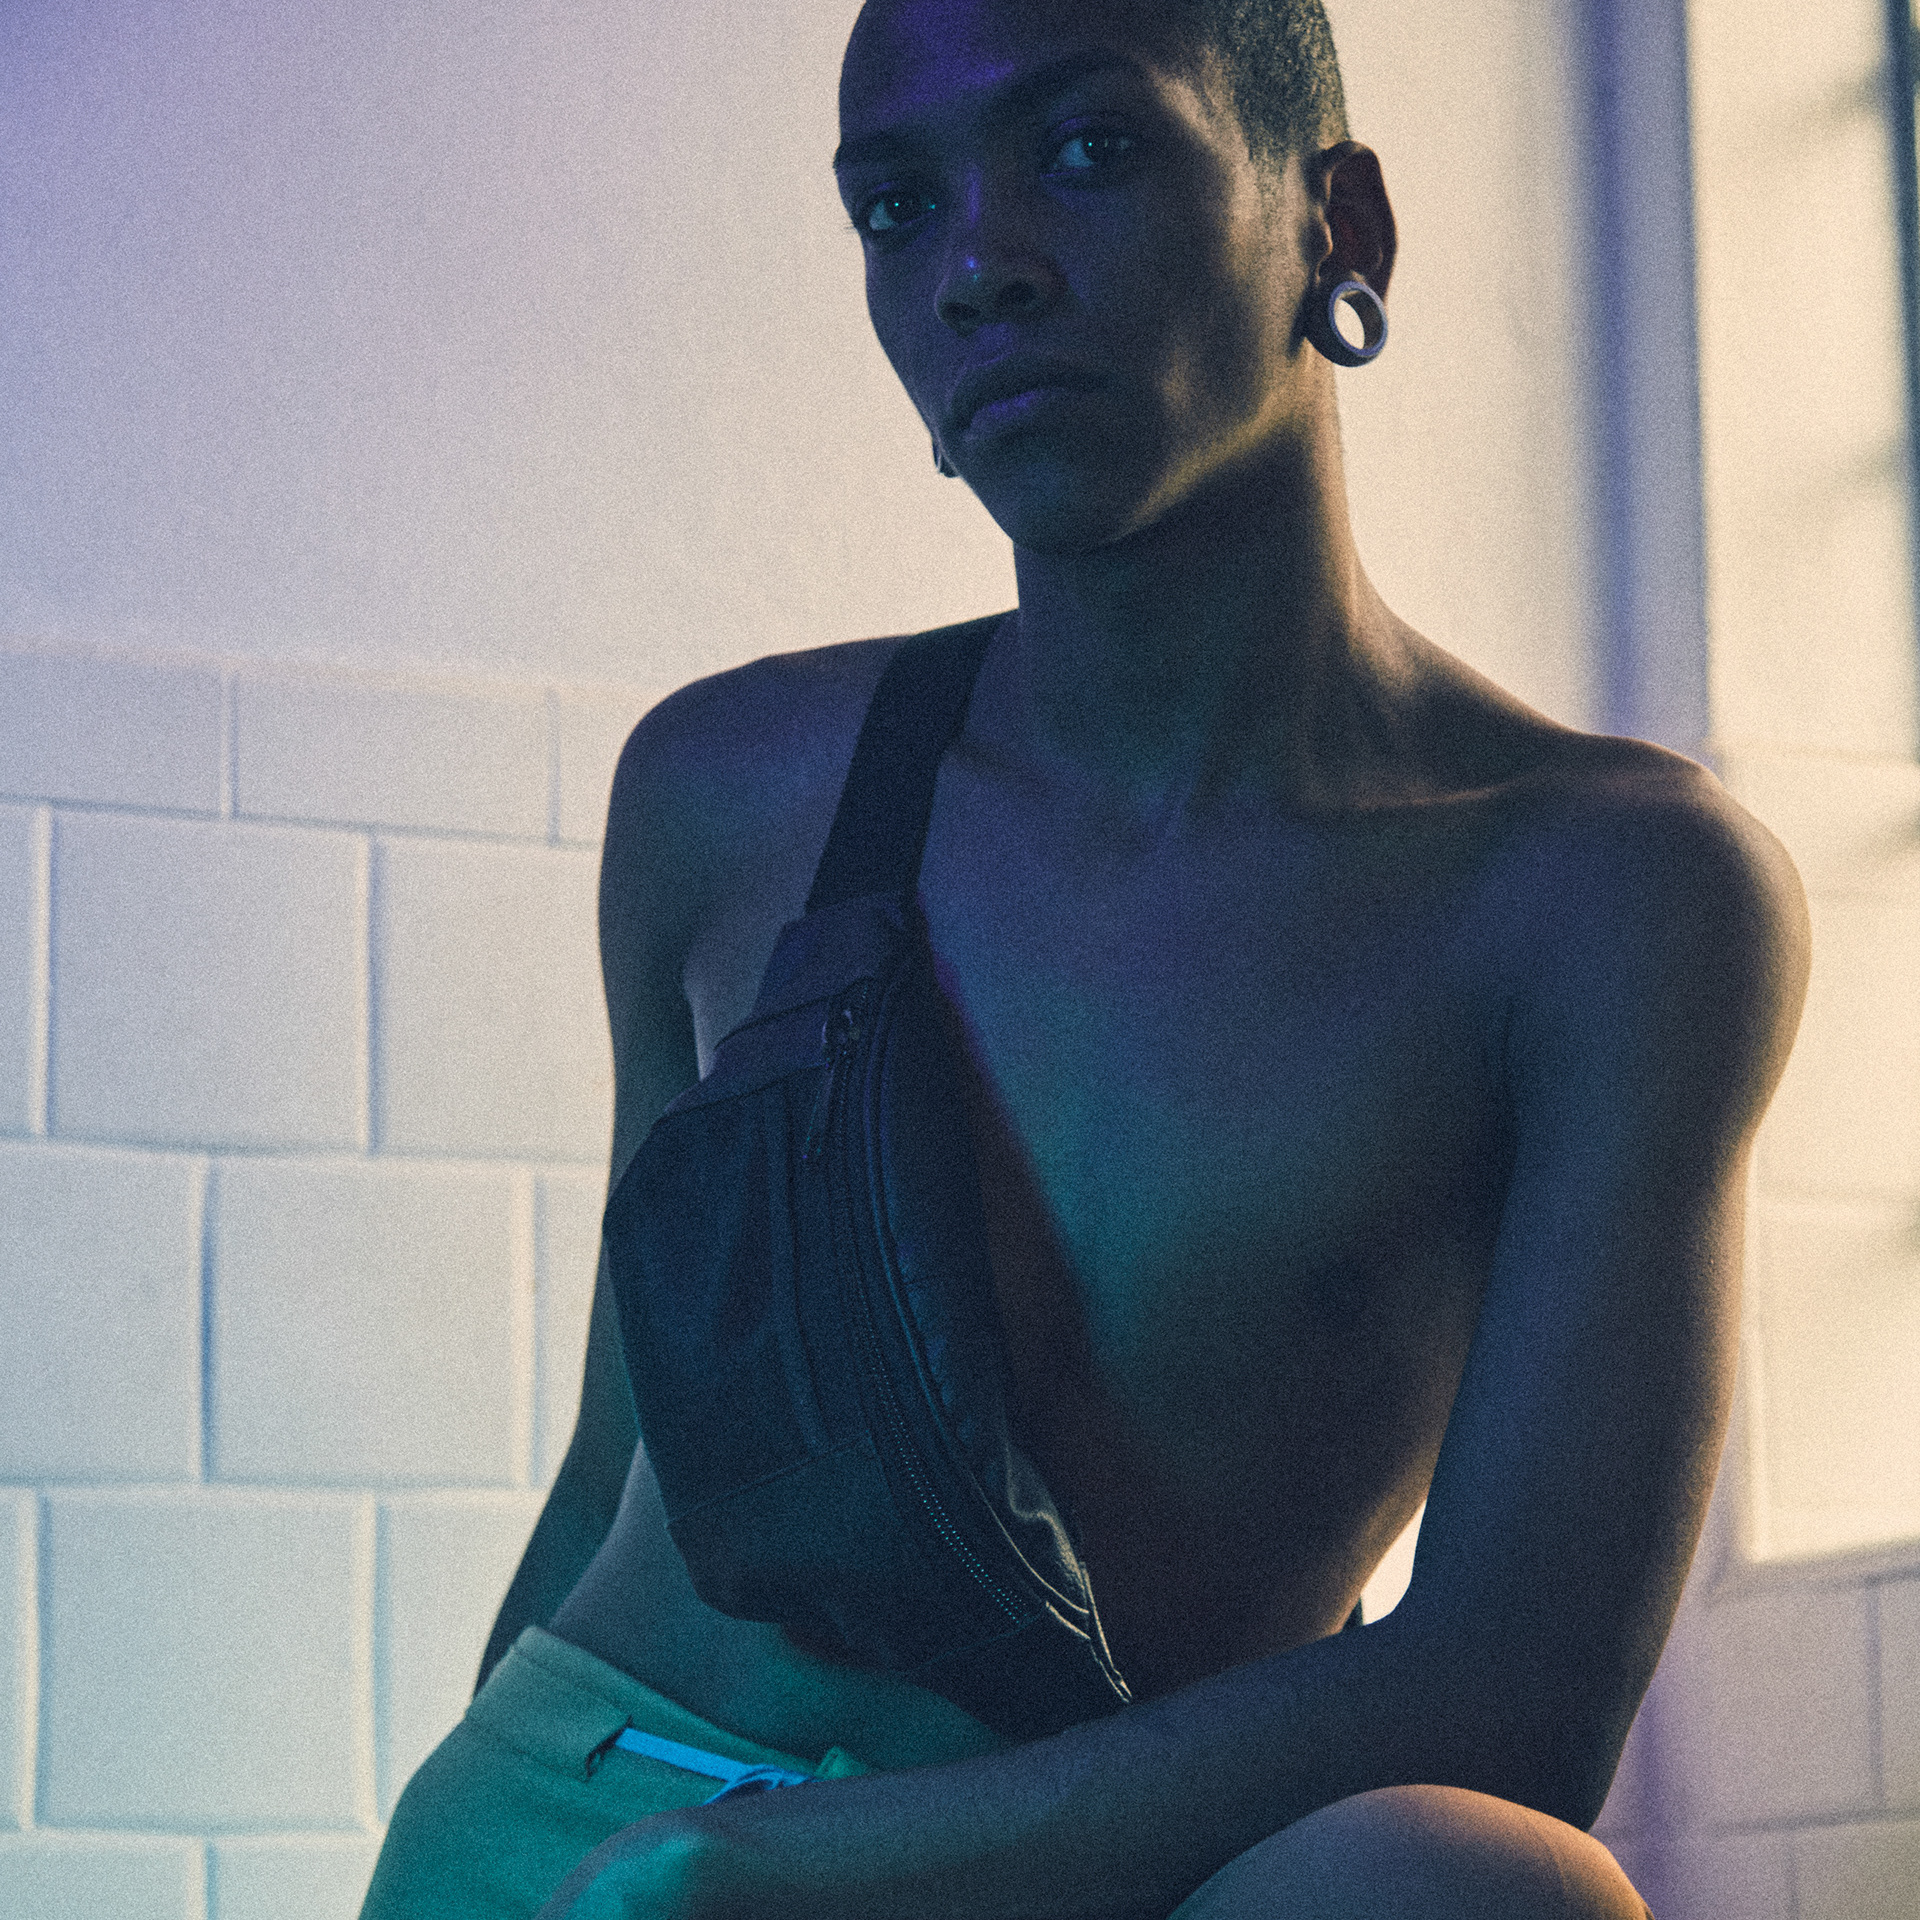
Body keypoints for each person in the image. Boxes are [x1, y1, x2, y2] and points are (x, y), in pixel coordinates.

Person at [362, 1, 1809, 1914]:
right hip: (597, 1828)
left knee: (1488, 1885)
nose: (980, 267)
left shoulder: (1611, 893)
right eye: (897, 205)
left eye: (1089, 150)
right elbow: (615, 1465)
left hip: (1053, 1868)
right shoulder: (731, 792)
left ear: (1340, 229)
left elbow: (1520, 1693)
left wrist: (782, 1870)